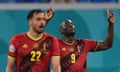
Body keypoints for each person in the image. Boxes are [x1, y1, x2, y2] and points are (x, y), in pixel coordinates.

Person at [6, 8, 60, 72]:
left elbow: (56, 67)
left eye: (43, 19)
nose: (42, 22)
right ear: (30, 22)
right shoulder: (17, 39)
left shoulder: (52, 40)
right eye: (38, 19)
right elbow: (10, 67)